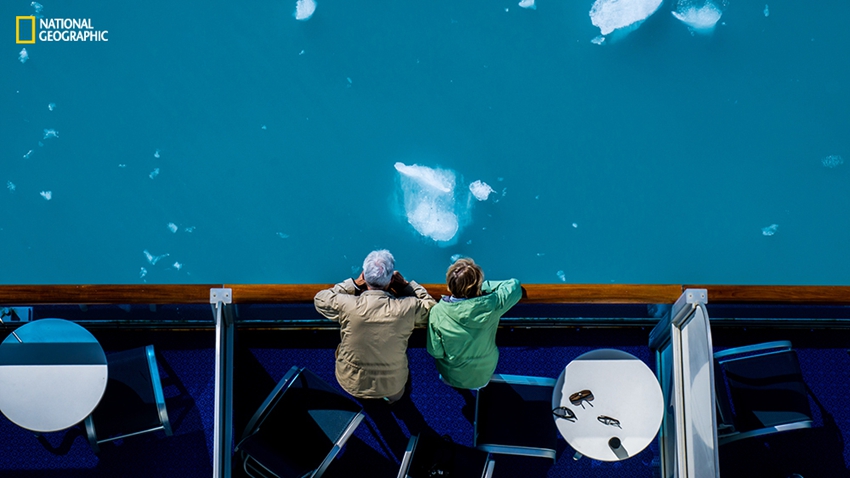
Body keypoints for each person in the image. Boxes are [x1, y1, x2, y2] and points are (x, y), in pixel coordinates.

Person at [314, 249, 436, 403]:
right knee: (397, 395)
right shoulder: (408, 307)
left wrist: (353, 284)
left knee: (354, 385)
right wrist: (406, 286)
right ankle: (391, 400)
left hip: (351, 383)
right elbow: (433, 309)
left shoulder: (348, 305)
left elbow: (320, 299)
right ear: (392, 280)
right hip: (393, 385)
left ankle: (362, 396)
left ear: (364, 277)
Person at [426, 258, 521, 390]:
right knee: (481, 383)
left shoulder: (437, 312)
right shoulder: (493, 304)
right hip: (483, 374)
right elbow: (514, 286)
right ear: (478, 285)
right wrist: (484, 286)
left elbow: (435, 352)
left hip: (451, 375)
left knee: (445, 377)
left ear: (449, 285)